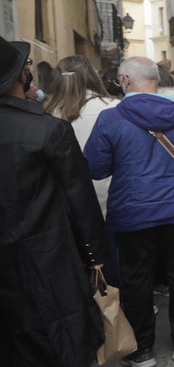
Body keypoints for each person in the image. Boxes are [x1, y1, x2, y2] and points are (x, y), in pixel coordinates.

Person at [0, 38, 105, 367]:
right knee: (49, 332)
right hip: (43, 252)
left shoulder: (47, 128)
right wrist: (96, 256)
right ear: (18, 76)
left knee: (12, 336)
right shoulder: (48, 130)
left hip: (22, 252)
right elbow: (81, 202)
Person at [84, 57, 174, 367]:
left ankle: (142, 349)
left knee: (136, 279)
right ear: (155, 81)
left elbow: (95, 167)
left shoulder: (111, 119)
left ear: (124, 80)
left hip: (133, 210)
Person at [44, 55, 120, 283]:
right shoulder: (114, 107)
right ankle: (115, 312)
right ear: (92, 76)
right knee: (113, 264)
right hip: (111, 196)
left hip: (68, 203)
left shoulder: (47, 112)